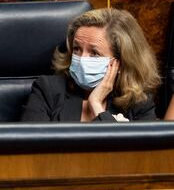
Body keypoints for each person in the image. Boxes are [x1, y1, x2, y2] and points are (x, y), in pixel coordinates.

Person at [21, 8, 160, 122]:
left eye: (94, 53)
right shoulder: (48, 89)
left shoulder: (139, 102)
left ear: (121, 62)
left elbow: (132, 155)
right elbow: (31, 149)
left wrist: (97, 105)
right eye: (76, 49)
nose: (81, 59)